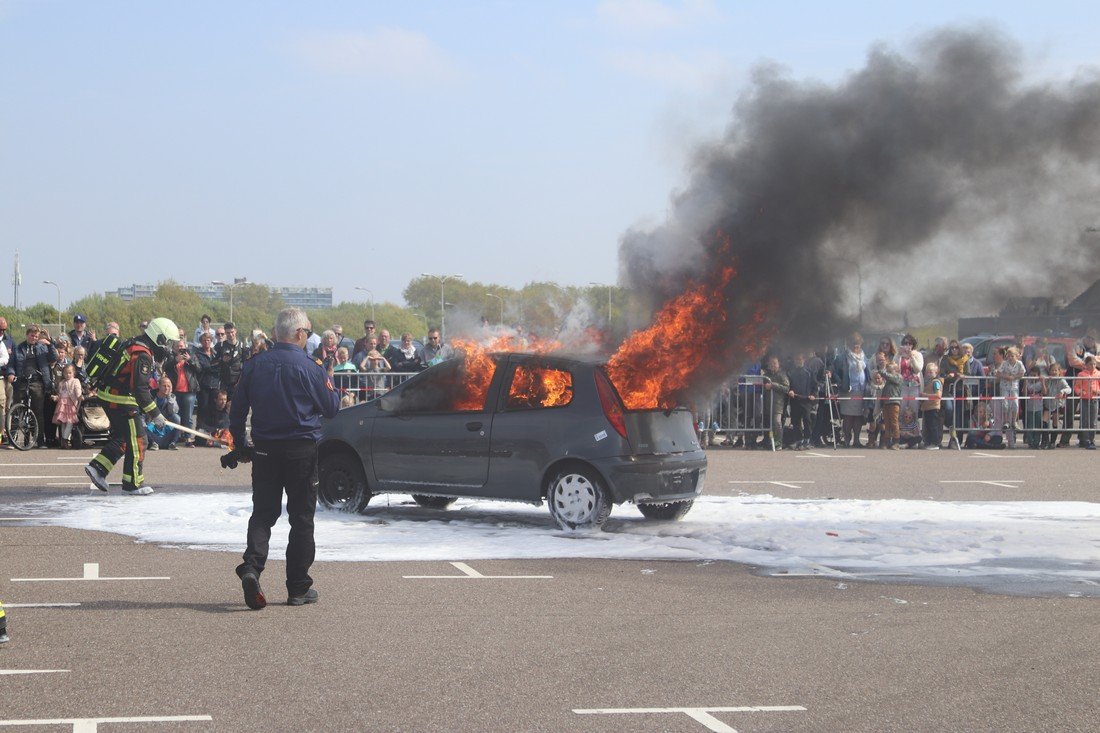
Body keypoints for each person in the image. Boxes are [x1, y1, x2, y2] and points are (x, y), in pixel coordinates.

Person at [229, 307, 340, 610]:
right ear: (300, 333)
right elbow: (331, 408)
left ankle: (252, 568)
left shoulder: (255, 365)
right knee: (301, 519)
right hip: (302, 451)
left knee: (263, 514)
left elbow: (237, 410)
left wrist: (240, 445)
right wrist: (328, 376)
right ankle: (298, 588)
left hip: (265, 450)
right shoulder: (311, 366)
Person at [84, 318, 179, 495]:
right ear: (159, 339)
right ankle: (132, 484)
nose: (167, 348)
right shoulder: (142, 354)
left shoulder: (138, 344)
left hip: (112, 394)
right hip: (120, 399)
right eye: (168, 342)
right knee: (139, 439)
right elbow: (140, 389)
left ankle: (98, 468)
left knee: (125, 438)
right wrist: (156, 414)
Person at [10, 325, 59, 448]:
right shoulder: (19, 348)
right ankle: (13, 437)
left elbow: (54, 357)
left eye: (36, 336)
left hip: (37, 382)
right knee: (17, 410)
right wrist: (11, 374)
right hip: (21, 381)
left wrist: (50, 342)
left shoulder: (42, 348)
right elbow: (11, 364)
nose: (34, 338)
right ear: (27, 335)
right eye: (32, 335)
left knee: (38, 411)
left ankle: (39, 440)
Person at [833, 333, 870, 447]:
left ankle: (857, 440)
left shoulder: (864, 357)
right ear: (849, 344)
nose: (856, 346)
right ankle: (847, 439)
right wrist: (840, 384)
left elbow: (867, 372)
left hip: (861, 390)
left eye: (858, 344)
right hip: (848, 391)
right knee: (848, 416)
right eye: (854, 343)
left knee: (859, 416)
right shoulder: (842, 357)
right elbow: (835, 372)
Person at [786, 352, 817, 450]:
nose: (798, 361)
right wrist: (790, 390)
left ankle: (807, 440)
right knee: (795, 421)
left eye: (800, 359)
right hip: (795, 400)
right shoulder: (790, 372)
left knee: (807, 420)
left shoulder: (809, 372)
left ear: (804, 360)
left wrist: (813, 395)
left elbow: (815, 386)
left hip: (806, 400)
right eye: (797, 359)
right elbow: (788, 384)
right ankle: (799, 440)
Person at [51, 363, 83, 449]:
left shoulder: (75, 381)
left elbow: (78, 390)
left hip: (70, 404)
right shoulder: (62, 382)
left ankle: (64, 439)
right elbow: (60, 394)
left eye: (70, 373)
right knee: (63, 423)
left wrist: (79, 396)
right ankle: (63, 440)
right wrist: (56, 397)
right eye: (66, 373)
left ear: (73, 373)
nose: (68, 375)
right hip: (62, 404)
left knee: (70, 422)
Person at [146, 375, 181, 450]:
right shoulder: (150, 395)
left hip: (166, 423)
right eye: (164, 386)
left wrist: (169, 397)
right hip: (152, 422)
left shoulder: (172, 396)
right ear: (158, 386)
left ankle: (173, 443)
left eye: (169, 386)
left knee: (177, 418)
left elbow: (173, 411)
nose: (166, 388)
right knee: (141, 424)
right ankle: (153, 443)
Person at [1073, 355, 1099, 450]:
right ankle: (1084, 440)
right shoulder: (1081, 374)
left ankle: (1092, 440)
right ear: (1086, 365)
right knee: (1084, 420)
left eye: (1094, 364)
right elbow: (1076, 387)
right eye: (1090, 364)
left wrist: (1098, 391)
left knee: (1093, 421)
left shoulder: (1098, 374)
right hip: (1084, 399)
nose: (1093, 366)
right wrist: (1080, 392)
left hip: (1094, 399)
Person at [214, 322, 244, 400]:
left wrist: (240, 381)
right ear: (225, 333)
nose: (230, 334)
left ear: (235, 331)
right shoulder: (220, 346)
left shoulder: (242, 346)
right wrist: (222, 360)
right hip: (224, 382)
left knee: (235, 406)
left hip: (237, 382)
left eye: (232, 332)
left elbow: (246, 365)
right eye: (228, 333)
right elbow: (212, 363)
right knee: (222, 405)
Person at [920, 362, 943, 449]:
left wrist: (925, 395)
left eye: (931, 372)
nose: (929, 374)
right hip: (927, 408)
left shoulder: (936, 382)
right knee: (928, 426)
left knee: (933, 426)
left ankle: (935, 443)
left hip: (933, 407)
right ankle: (929, 442)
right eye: (928, 372)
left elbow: (938, 395)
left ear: (936, 373)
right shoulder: (928, 383)